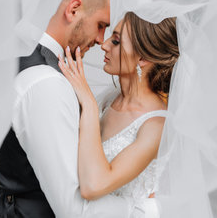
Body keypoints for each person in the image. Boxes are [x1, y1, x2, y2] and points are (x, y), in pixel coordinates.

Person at [0, 0, 145, 218]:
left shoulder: (17, 56)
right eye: (101, 25)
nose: (100, 39)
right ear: (73, 10)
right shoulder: (45, 84)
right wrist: (148, 209)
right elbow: (75, 210)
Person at [58, 11, 179, 217]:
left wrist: (87, 103)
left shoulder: (156, 125)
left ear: (142, 58)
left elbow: (93, 187)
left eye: (115, 41)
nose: (104, 45)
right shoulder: (109, 100)